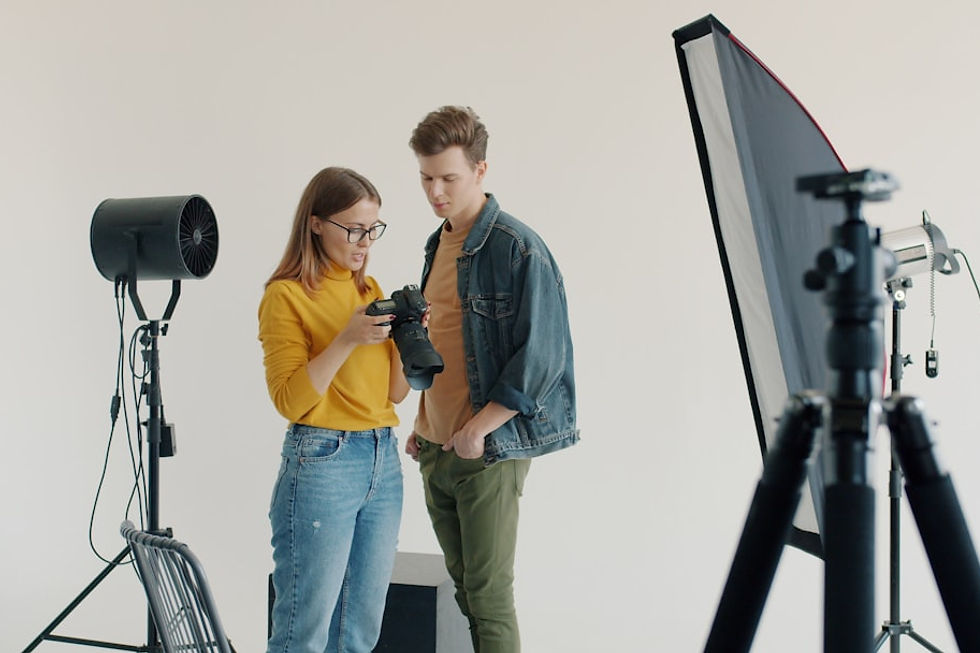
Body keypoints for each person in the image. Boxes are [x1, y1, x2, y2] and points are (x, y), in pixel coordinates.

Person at [405, 106, 579, 652]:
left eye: (448, 178)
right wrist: (422, 421)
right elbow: (443, 342)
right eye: (426, 178)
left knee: (489, 595)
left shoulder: (516, 247)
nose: (436, 191)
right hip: (436, 445)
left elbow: (544, 355)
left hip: (486, 448)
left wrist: (481, 427)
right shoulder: (437, 245)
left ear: (481, 171)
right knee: (464, 592)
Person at [259, 167, 408, 653]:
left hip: (382, 461)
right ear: (317, 224)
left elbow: (395, 394)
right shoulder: (285, 294)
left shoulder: (370, 290)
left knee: (359, 632)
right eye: (354, 229)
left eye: (373, 229)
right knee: (304, 630)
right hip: (322, 461)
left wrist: (410, 337)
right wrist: (346, 338)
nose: (365, 242)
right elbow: (290, 399)